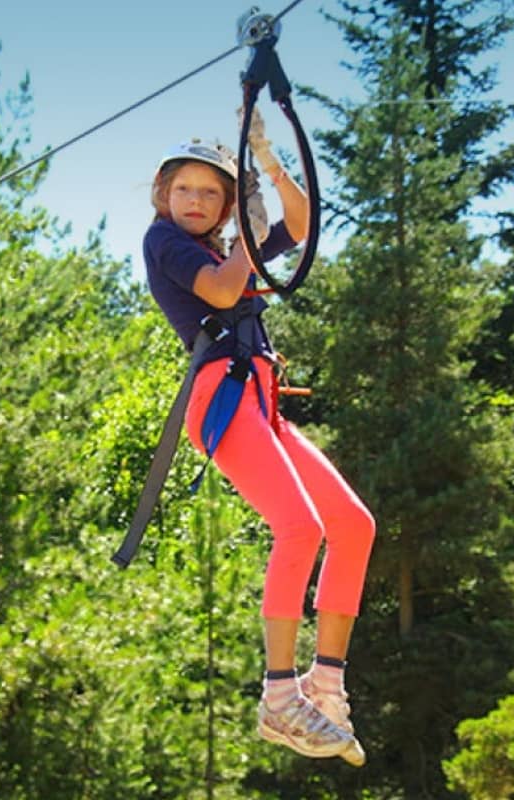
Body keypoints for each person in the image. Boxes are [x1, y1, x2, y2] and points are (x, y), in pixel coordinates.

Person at [142, 111, 375, 766]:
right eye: (184, 189)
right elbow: (218, 292)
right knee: (300, 527)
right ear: (165, 196)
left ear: (222, 207)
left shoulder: (224, 244)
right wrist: (248, 222)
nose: (195, 201)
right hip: (221, 401)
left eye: (210, 193)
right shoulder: (168, 245)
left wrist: (268, 166)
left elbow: (301, 227)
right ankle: (278, 695)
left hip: (263, 405)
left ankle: (325, 682)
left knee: (353, 526)